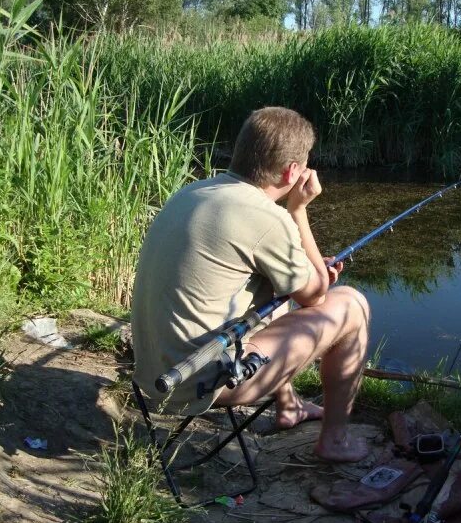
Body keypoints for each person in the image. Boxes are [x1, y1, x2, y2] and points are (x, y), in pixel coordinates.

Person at [131, 106, 370, 462]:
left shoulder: (193, 192)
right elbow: (316, 295)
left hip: (152, 374)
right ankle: (335, 441)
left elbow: (293, 285)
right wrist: (297, 210)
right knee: (351, 304)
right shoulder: (267, 217)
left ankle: (288, 406)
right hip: (199, 383)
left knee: (274, 288)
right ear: (292, 171)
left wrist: (305, 270)